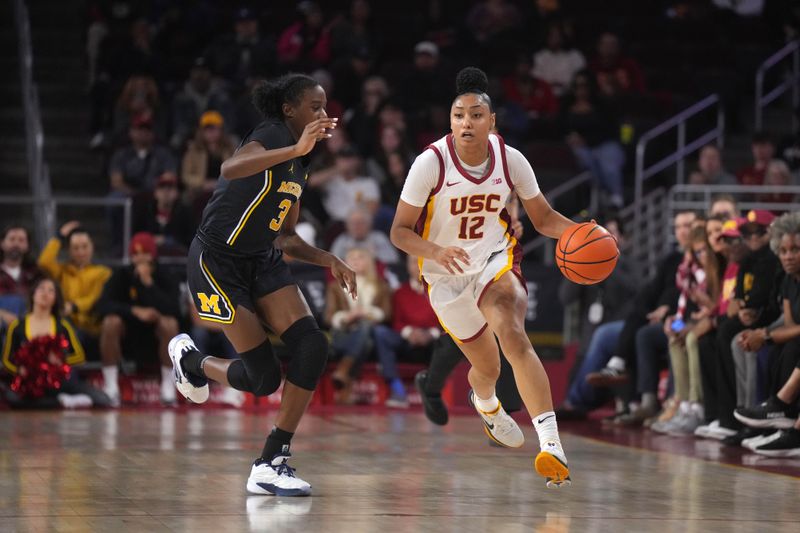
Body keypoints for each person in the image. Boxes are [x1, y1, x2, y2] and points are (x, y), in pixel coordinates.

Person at [390, 67, 584, 488]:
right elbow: (399, 232)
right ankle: (487, 403)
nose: (466, 123)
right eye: (459, 115)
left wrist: (583, 233)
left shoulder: (511, 160)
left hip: (495, 260)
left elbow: (544, 218)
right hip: (444, 275)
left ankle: (551, 444)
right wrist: (437, 250)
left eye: (476, 115)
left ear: (492, 121)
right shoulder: (431, 163)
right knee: (487, 368)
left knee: (513, 334)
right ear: (450, 120)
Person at [166, 73, 354, 497]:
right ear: (290, 110)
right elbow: (229, 168)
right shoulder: (271, 135)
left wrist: (330, 259)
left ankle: (271, 460)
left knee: (313, 345)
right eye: (315, 107)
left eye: (326, 108)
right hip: (216, 260)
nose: (324, 115)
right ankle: (192, 362)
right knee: (264, 378)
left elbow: (285, 236)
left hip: (262, 259)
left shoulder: (302, 162)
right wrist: (295, 147)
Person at [98, 232, 181, 406]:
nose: (140, 258)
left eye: (145, 253)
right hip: (128, 334)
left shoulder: (166, 275)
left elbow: (175, 309)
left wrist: (148, 284)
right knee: (110, 322)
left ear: (153, 255)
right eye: (135, 254)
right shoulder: (122, 274)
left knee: (170, 323)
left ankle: (168, 385)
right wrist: (134, 310)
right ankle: (111, 387)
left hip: (156, 336)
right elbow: (103, 305)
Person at [1, 277, 109, 408]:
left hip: (59, 381)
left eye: (51, 291)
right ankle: (62, 401)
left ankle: (61, 398)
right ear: (33, 294)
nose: (45, 293)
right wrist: (19, 370)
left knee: (103, 399)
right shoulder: (17, 325)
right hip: (30, 381)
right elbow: (6, 360)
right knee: (13, 399)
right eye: (41, 289)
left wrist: (60, 360)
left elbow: (79, 356)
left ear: (56, 299)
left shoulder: (62, 325)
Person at [325, 248, 391, 404]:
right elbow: (329, 316)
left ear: (369, 262)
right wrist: (346, 317)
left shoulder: (381, 286)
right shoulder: (335, 286)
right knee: (365, 338)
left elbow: (387, 313)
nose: (355, 260)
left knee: (366, 327)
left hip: (368, 333)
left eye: (360, 256)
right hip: (343, 332)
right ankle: (345, 377)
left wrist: (366, 312)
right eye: (351, 258)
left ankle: (344, 372)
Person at [374, 255, 441, 408]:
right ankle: (397, 390)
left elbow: (447, 322)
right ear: (407, 266)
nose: (418, 266)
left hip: (432, 340)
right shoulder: (399, 292)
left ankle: (433, 393)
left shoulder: (441, 291)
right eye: (413, 262)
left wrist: (430, 334)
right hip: (407, 340)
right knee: (381, 333)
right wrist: (409, 332)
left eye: (422, 262)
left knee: (450, 340)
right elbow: (396, 322)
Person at [37, 221, 111, 346]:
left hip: (93, 325)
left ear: (92, 246)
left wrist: (74, 306)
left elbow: (96, 297)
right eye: (75, 248)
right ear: (69, 250)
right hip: (67, 323)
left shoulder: (103, 272)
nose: (81, 252)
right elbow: (44, 262)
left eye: (85, 246)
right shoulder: (62, 271)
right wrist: (59, 236)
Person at [132, 173, 196, 255]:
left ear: (177, 193)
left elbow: (190, 240)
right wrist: (150, 240)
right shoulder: (144, 212)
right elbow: (136, 237)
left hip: (177, 261)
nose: (166, 192)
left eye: (170, 188)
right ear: (155, 193)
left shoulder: (186, 214)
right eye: (162, 187)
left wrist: (169, 241)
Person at [0, 226, 41, 331]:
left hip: (28, 329)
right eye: (12, 239)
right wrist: (2, 314)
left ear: (27, 245)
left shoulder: (36, 273)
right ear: (2, 243)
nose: (16, 244)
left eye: (21, 240)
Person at [330, 209, 399, 266]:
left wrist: (374, 255)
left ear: (369, 224)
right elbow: (333, 263)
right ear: (347, 226)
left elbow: (393, 260)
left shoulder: (379, 238)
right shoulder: (342, 241)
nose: (357, 226)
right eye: (353, 223)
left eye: (361, 223)